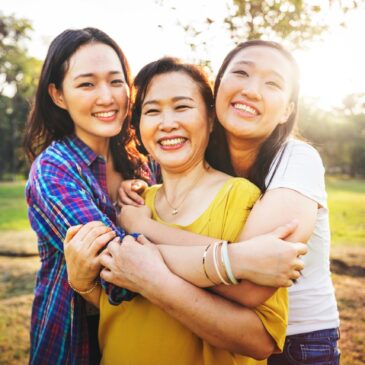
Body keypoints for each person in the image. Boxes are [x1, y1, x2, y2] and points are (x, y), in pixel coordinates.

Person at [65, 57, 308, 365]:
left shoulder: (243, 199)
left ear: (210, 119)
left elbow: (262, 341)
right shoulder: (131, 204)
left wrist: (152, 277)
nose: (167, 123)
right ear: (138, 129)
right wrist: (83, 282)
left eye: (182, 107)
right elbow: (120, 303)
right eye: (152, 111)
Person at [120, 41, 341, 365]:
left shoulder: (296, 159)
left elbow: (248, 285)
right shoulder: (200, 155)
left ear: (287, 110)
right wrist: (138, 184)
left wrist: (140, 237)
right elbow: (237, 262)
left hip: (300, 340)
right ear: (217, 88)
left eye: (273, 83)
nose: (252, 90)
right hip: (221, 329)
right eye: (241, 73)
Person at [23, 27, 154, 365]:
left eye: (116, 80)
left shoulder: (143, 162)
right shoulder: (54, 170)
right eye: (86, 84)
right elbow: (123, 278)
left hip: (148, 341)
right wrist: (228, 262)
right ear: (58, 95)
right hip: (79, 345)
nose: (107, 97)